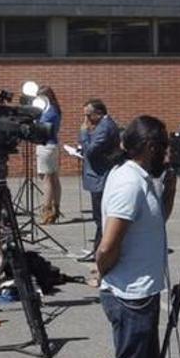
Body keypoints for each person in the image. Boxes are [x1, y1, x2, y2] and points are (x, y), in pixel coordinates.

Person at [94, 115, 174, 358]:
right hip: (130, 295)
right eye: (164, 149)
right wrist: (104, 271)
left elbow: (159, 219)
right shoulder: (129, 183)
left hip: (140, 290)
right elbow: (109, 243)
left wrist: (170, 184)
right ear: (149, 147)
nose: (167, 156)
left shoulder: (139, 177)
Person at [78, 99, 118, 260]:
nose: (86, 119)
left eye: (89, 115)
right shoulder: (102, 126)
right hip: (98, 175)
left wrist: (84, 133)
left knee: (101, 217)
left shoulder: (105, 127)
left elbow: (91, 151)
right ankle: (97, 249)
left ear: (99, 113)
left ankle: (100, 251)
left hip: (100, 177)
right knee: (99, 217)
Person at [36, 86, 63, 225]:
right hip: (53, 145)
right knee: (53, 178)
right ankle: (55, 209)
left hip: (46, 146)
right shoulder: (55, 109)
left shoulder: (48, 112)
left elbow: (40, 127)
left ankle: (46, 211)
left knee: (46, 179)